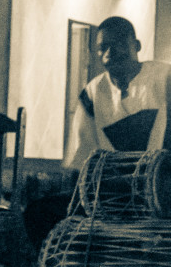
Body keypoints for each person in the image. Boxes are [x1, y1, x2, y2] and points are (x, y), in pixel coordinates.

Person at [63, 16, 171, 168]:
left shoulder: (166, 78)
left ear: (137, 45)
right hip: (113, 188)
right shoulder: (92, 93)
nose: (110, 52)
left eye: (119, 44)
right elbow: (81, 154)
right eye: (103, 47)